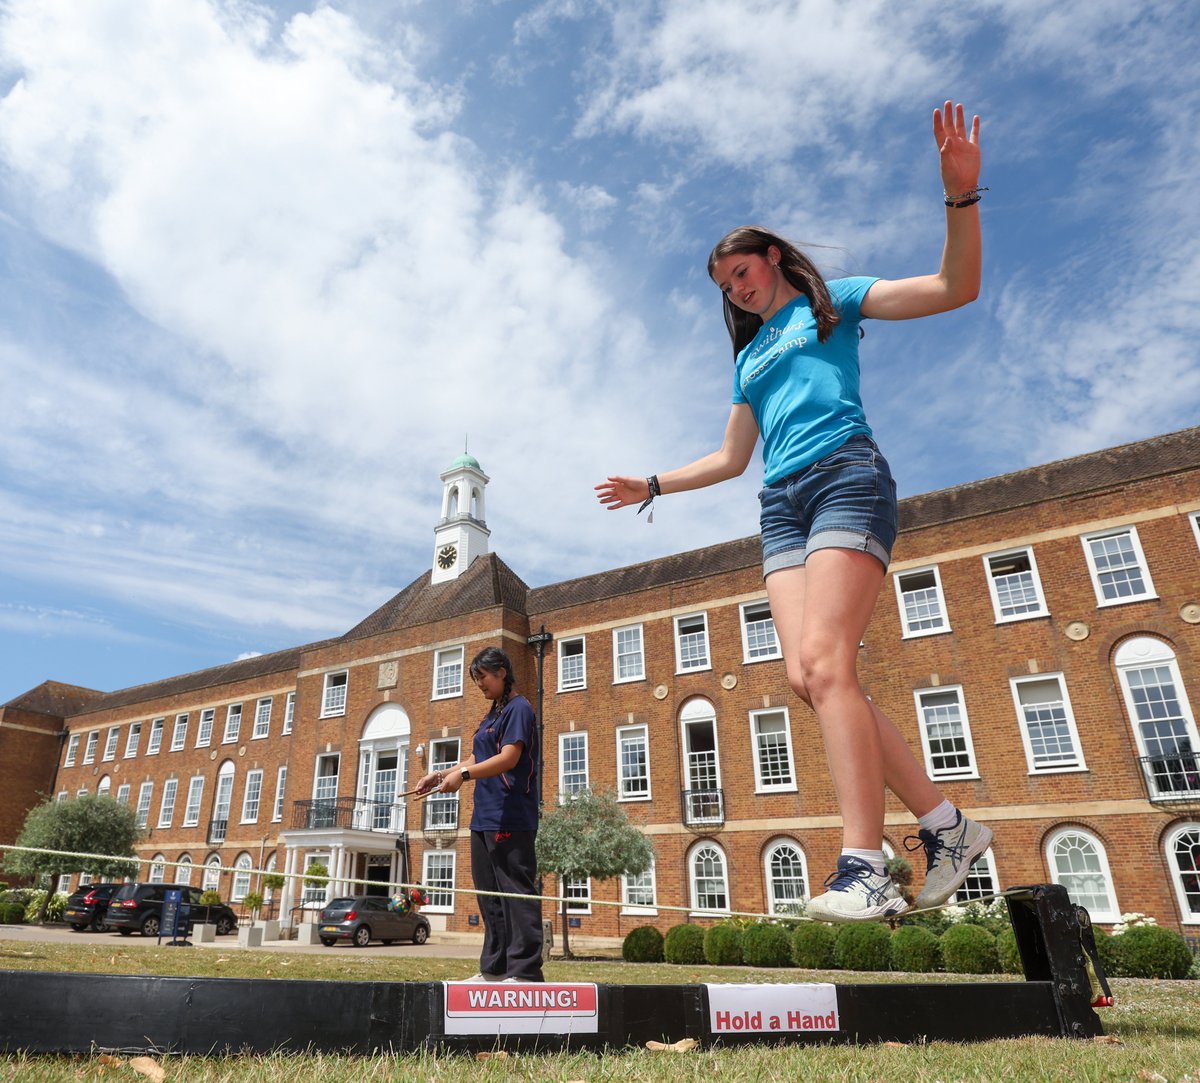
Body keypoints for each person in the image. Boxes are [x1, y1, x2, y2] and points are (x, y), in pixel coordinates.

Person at [596, 102, 992, 922]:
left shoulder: (831, 302)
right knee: (806, 676)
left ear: (771, 256)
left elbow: (956, 288)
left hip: (846, 473)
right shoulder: (748, 358)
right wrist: (656, 485)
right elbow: (733, 456)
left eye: (741, 271)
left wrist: (960, 197)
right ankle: (946, 826)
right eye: (725, 286)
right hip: (780, 502)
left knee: (827, 661)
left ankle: (865, 862)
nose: (736, 289)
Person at [415, 646, 544, 978]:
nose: (480, 686)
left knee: (515, 892)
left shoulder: (519, 708)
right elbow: (476, 758)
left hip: (511, 815)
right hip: (484, 817)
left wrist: (465, 777)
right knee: (489, 897)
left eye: (483, 678)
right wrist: (441, 774)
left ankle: (525, 972)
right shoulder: (492, 714)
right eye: (476, 680)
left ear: (502, 672)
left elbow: (508, 757)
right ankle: (495, 971)